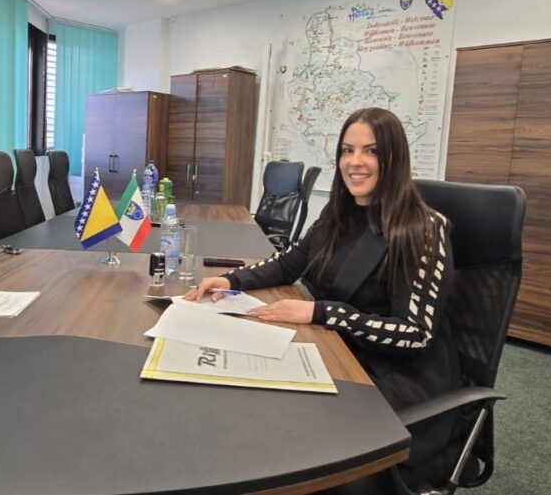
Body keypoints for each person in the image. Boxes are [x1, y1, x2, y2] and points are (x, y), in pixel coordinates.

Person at [186, 107, 461, 486]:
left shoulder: (423, 228)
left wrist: (323, 313)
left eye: (371, 151)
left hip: (395, 378)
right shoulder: (339, 212)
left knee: (287, 430)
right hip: (340, 349)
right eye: (347, 150)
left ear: (394, 157)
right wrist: (231, 280)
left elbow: (416, 335)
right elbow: (288, 263)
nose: (355, 162)